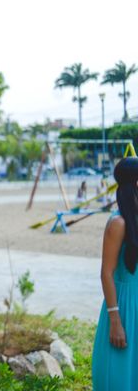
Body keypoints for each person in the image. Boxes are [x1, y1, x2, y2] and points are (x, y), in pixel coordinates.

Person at [92, 157, 138, 391]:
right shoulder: (118, 223)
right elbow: (106, 273)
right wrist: (115, 321)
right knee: (121, 378)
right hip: (125, 308)